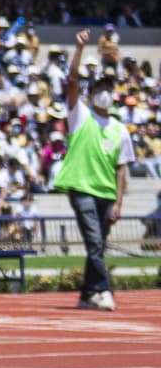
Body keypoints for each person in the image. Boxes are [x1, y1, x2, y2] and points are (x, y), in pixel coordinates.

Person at [52, 30, 134, 312]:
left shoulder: (120, 130)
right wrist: (79, 49)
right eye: (100, 89)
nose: (106, 94)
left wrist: (120, 201)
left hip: (106, 192)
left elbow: (121, 168)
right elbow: (72, 79)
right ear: (90, 94)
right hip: (81, 188)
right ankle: (104, 290)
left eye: (109, 89)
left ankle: (87, 294)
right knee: (95, 242)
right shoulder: (80, 115)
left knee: (96, 247)